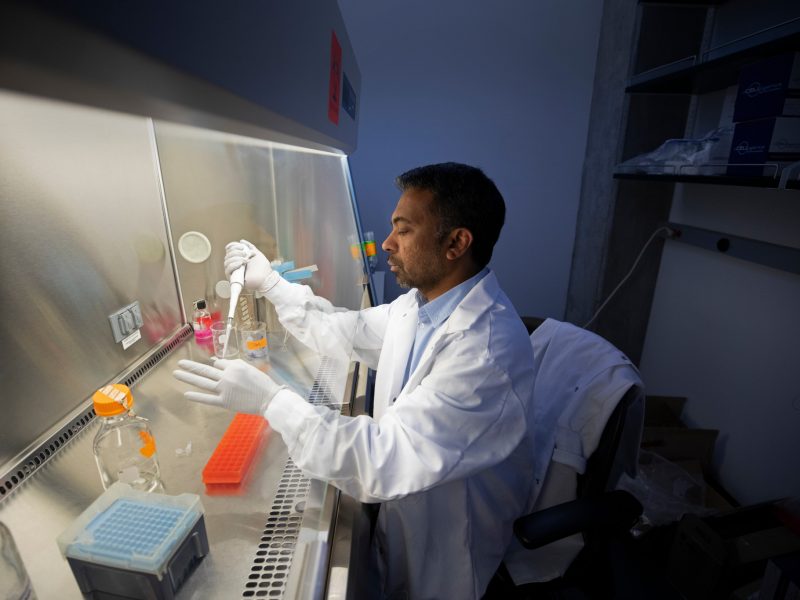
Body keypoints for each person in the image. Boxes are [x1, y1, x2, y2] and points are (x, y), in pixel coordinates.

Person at [173, 162, 536, 599]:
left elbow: (386, 458)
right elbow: (349, 331)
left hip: (449, 544)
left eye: (404, 230)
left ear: (456, 243)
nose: (387, 244)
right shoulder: (421, 307)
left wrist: (273, 402)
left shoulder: (485, 352)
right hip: (406, 513)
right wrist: (272, 284)